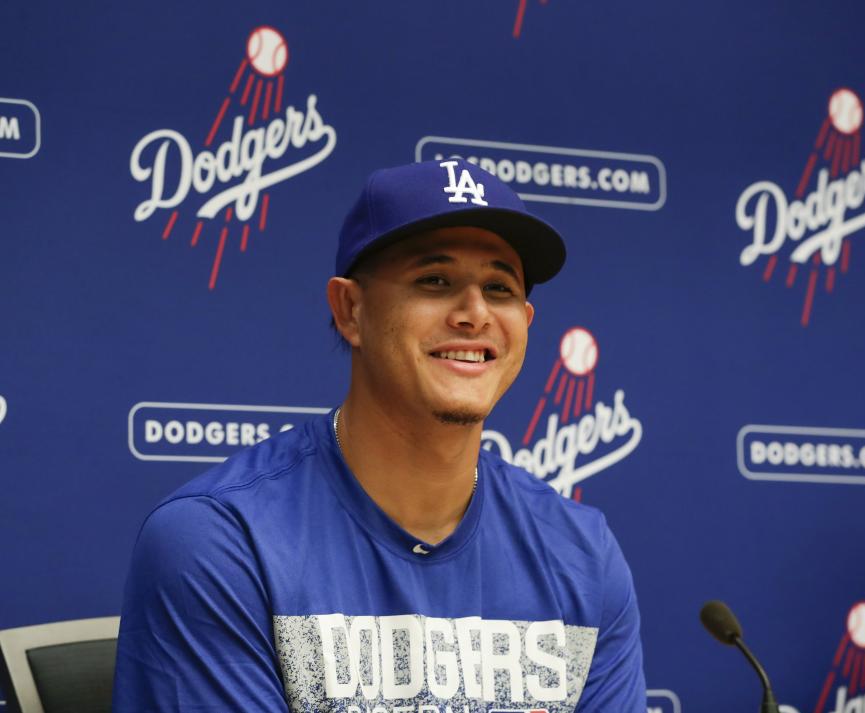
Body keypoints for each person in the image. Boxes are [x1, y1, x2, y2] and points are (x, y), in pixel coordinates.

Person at [113, 159, 645, 711]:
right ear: (350, 310)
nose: (475, 313)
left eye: (499, 287)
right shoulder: (219, 539)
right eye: (434, 281)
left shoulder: (582, 553)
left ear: (526, 323)